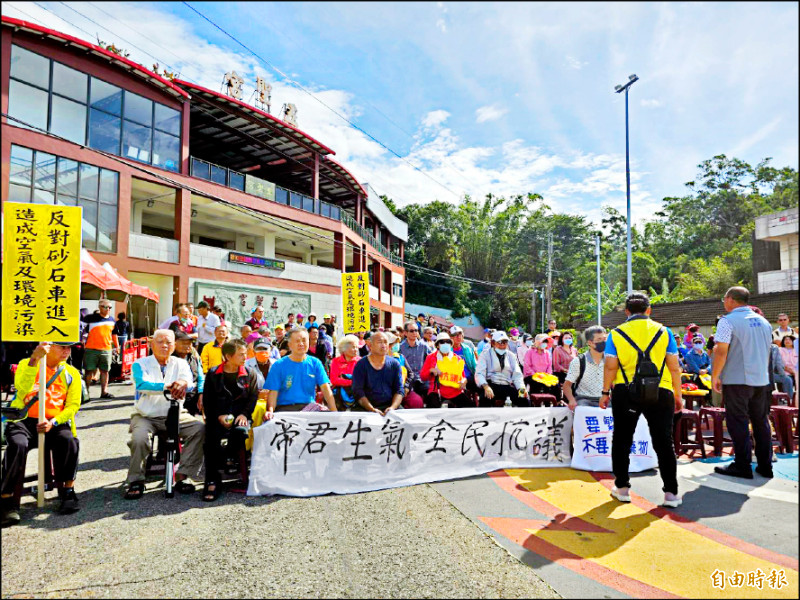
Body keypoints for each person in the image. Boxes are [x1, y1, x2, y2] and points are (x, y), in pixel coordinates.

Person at [601, 292, 683, 508]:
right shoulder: (664, 332)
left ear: (627, 312)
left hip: (626, 391)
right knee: (664, 442)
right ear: (649, 310)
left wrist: (604, 393)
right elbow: (674, 366)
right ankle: (671, 494)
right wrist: (678, 394)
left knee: (622, 440)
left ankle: (623, 488)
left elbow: (611, 366)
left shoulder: (616, 334)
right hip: (661, 390)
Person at [1, 342, 82, 526]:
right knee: (17, 444)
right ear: (48, 346)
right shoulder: (26, 363)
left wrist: (53, 422)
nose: (66, 351)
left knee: (69, 441)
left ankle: (68, 491)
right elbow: (22, 388)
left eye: (69, 348)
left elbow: (73, 406)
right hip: (24, 419)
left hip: (53, 421)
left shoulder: (72, 373)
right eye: (62, 347)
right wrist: (34, 360)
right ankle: (6, 499)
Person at [125, 330, 205, 500]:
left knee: (199, 429)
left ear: (174, 345)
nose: (164, 345)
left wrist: (183, 383)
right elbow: (142, 384)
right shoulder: (140, 364)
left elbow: (189, 382)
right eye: (160, 341)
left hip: (175, 412)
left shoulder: (180, 363)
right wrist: (169, 386)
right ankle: (136, 480)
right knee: (139, 439)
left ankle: (184, 475)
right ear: (151, 344)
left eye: (168, 342)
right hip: (146, 415)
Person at [711, 287, 774, 479]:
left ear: (730, 299)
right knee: (760, 421)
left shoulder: (727, 321)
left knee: (738, 421)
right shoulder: (764, 322)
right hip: (762, 379)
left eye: (724, 299)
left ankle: (742, 465)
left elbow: (721, 351)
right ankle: (765, 465)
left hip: (738, 379)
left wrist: (715, 376)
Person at [201, 338, 260, 502]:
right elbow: (208, 400)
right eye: (241, 354)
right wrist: (218, 416)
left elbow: (253, 398)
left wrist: (244, 414)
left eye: (245, 354)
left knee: (240, 433)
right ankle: (212, 479)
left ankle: (232, 463)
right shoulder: (213, 374)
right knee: (211, 439)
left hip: (240, 414)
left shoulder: (249, 373)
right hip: (218, 415)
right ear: (228, 356)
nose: (245, 357)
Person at [263, 328, 337, 419]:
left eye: (304, 340)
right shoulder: (278, 365)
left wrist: (335, 413)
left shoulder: (315, 363)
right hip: (285, 408)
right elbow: (273, 392)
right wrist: (270, 411)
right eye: (297, 341)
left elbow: (326, 389)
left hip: (309, 407)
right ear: (289, 345)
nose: (301, 344)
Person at [351, 331, 404, 415]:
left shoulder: (394, 364)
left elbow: (399, 390)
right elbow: (358, 392)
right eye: (379, 342)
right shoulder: (361, 365)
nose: (383, 345)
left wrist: (392, 408)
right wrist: (371, 409)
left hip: (390, 407)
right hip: (366, 408)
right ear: (370, 345)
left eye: (386, 342)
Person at [475, 331, 527, 407]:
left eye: (505, 342)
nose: (502, 345)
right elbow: (479, 373)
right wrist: (486, 386)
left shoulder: (511, 355)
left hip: (506, 385)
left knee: (524, 399)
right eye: (500, 342)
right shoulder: (485, 354)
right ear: (493, 343)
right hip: (491, 385)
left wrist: (521, 388)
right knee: (485, 398)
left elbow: (517, 374)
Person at [81, 299, 120, 400]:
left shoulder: (112, 320)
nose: (108, 309)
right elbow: (81, 329)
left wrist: (117, 346)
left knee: (105, 371)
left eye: (110, 307)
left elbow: (114, 334)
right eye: (105, 307)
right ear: (99, 307)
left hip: (106, 349)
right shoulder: (90, 318)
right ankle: (86, 393)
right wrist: (81, 341)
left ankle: (104, 392)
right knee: (89, 371)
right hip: (91, 349)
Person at [420, 332, 471, 408]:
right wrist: (431, 370)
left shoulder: (457, 358)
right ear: (437, 345)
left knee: (469, 406)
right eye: (442, 342)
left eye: (447, 342)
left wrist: (464, 381)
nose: (445, 344)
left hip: (455, 391)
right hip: (436, 390)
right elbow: (422, 377)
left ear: (451, 344)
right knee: (433, 406)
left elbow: (463, 376)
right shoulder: (430, 357)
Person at [564, 326, 606, 410]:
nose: (603, 342)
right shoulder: (579, 361)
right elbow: (567, 386)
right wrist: (571, 400)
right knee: (582, 410)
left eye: (604, 339)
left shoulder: (610, 361)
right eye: (599, 339)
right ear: (590, 342)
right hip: (584, 399)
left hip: (605, 399)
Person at [398, 321, 432, 409]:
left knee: (432, 397)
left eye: (416, 330)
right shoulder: (400, 348)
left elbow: (432, 360)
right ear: (405, 333)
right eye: (412, 331)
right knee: (413, 402)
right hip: (408, 381)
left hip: (422, 380)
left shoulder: (424, 346)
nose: (415, 333)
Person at [173, 330, 205, 417]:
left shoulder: (194, 358)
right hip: (173, 399)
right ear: (174, 344)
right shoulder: (169, 359)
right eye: (183, 343)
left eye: (189, 343)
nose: (187, 346)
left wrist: (200, 394)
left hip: (191, 399)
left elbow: (201, 378)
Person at [330, 335, 361, 410]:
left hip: (357, 394)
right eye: (353, 347)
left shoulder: (360, 361)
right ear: (344, 349)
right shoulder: (336, 361)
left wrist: (343, 379)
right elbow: (334, 380)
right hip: (339, 396)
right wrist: (351, 382)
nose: (356, 349)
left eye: (357, 347)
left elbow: (362, 379)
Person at [449, 326, 479, 400]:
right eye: (455, 335)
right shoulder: (448, 350)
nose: (458, 337)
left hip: (468, 378)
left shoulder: (467, 349)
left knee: (482, 386)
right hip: (453, 378)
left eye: (460, 334)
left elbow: (475, 365)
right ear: (451, 337)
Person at [552, 331, 578, 402]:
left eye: (569, 338)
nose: (568, 339)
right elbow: (556, 365)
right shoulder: (557, 349)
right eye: (566, 338)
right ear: (562, 339)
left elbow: (577, 362)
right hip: (561, 373)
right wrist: (566, 370)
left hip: (573, 373)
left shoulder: (574, 350)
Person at [779, 335, 797, 399]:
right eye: (785, 339)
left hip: (796, 372)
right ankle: (789, 399)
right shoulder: (780, 350)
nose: (787, 341)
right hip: (785, 372)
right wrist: (791, 371)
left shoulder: (796, 350)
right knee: (788, 380)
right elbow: (779, 363)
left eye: (789, 339)